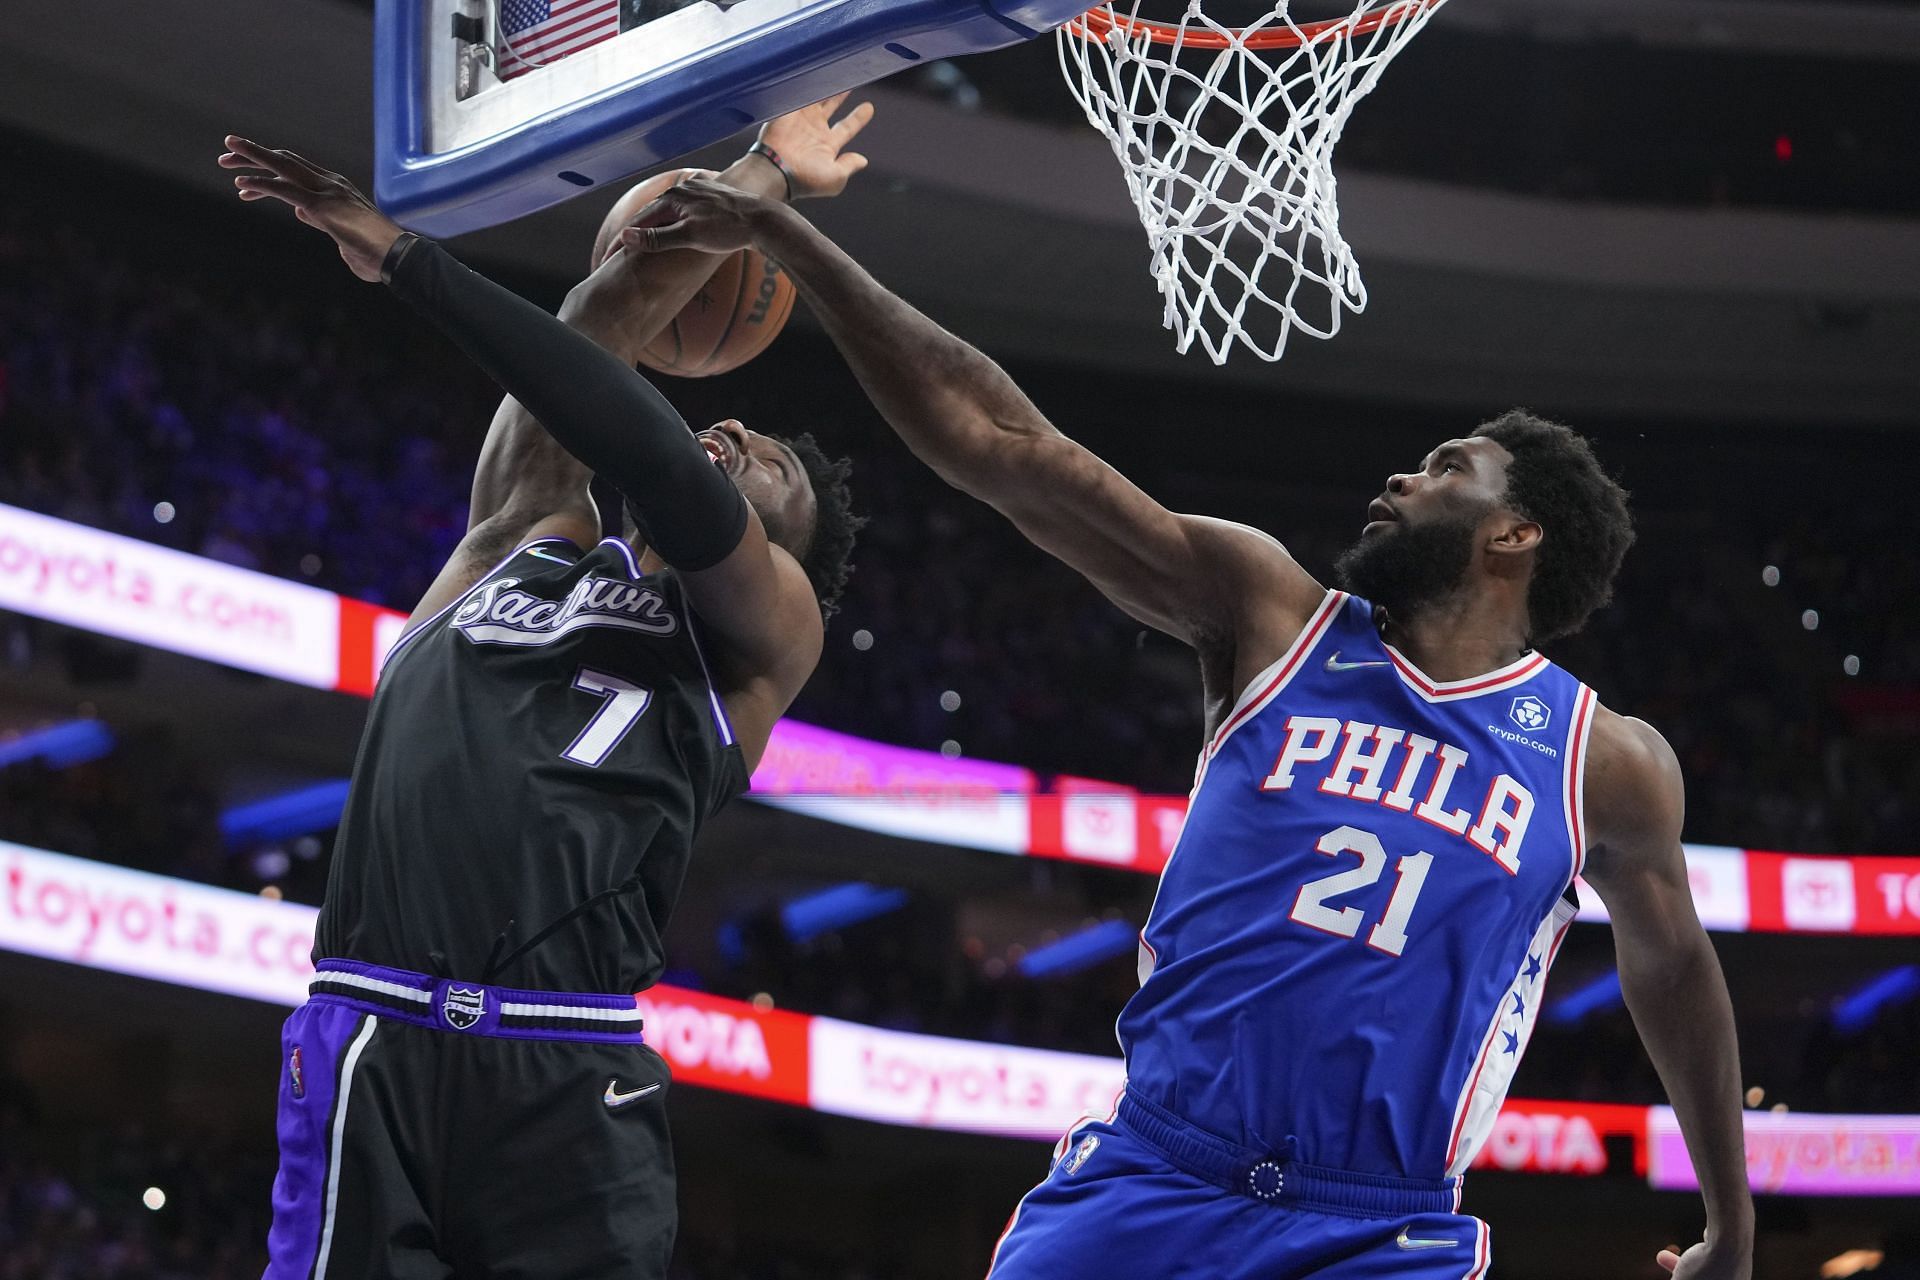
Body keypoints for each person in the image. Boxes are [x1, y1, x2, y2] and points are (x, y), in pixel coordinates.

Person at [627, 183, 1755, 1279]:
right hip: (1153, 1169)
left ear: (1515, 533)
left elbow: (1674, 968)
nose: (1404, 476)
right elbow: (1001, 442)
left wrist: (1731, 1219)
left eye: (1449, 467)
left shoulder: (1603, 760)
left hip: (1375, 1229)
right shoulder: (1270, 612)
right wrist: (794, 244)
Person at [220, 96, 871, 1279]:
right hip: (374, 1022)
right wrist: (763, 173)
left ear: (794, 552)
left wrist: (419, 265)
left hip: (571, 1071)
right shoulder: (513, 538)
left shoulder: (765, 635)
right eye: (744, 425)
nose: (734, 427)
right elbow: (596, 328)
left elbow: (655, 450)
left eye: (775, 465)